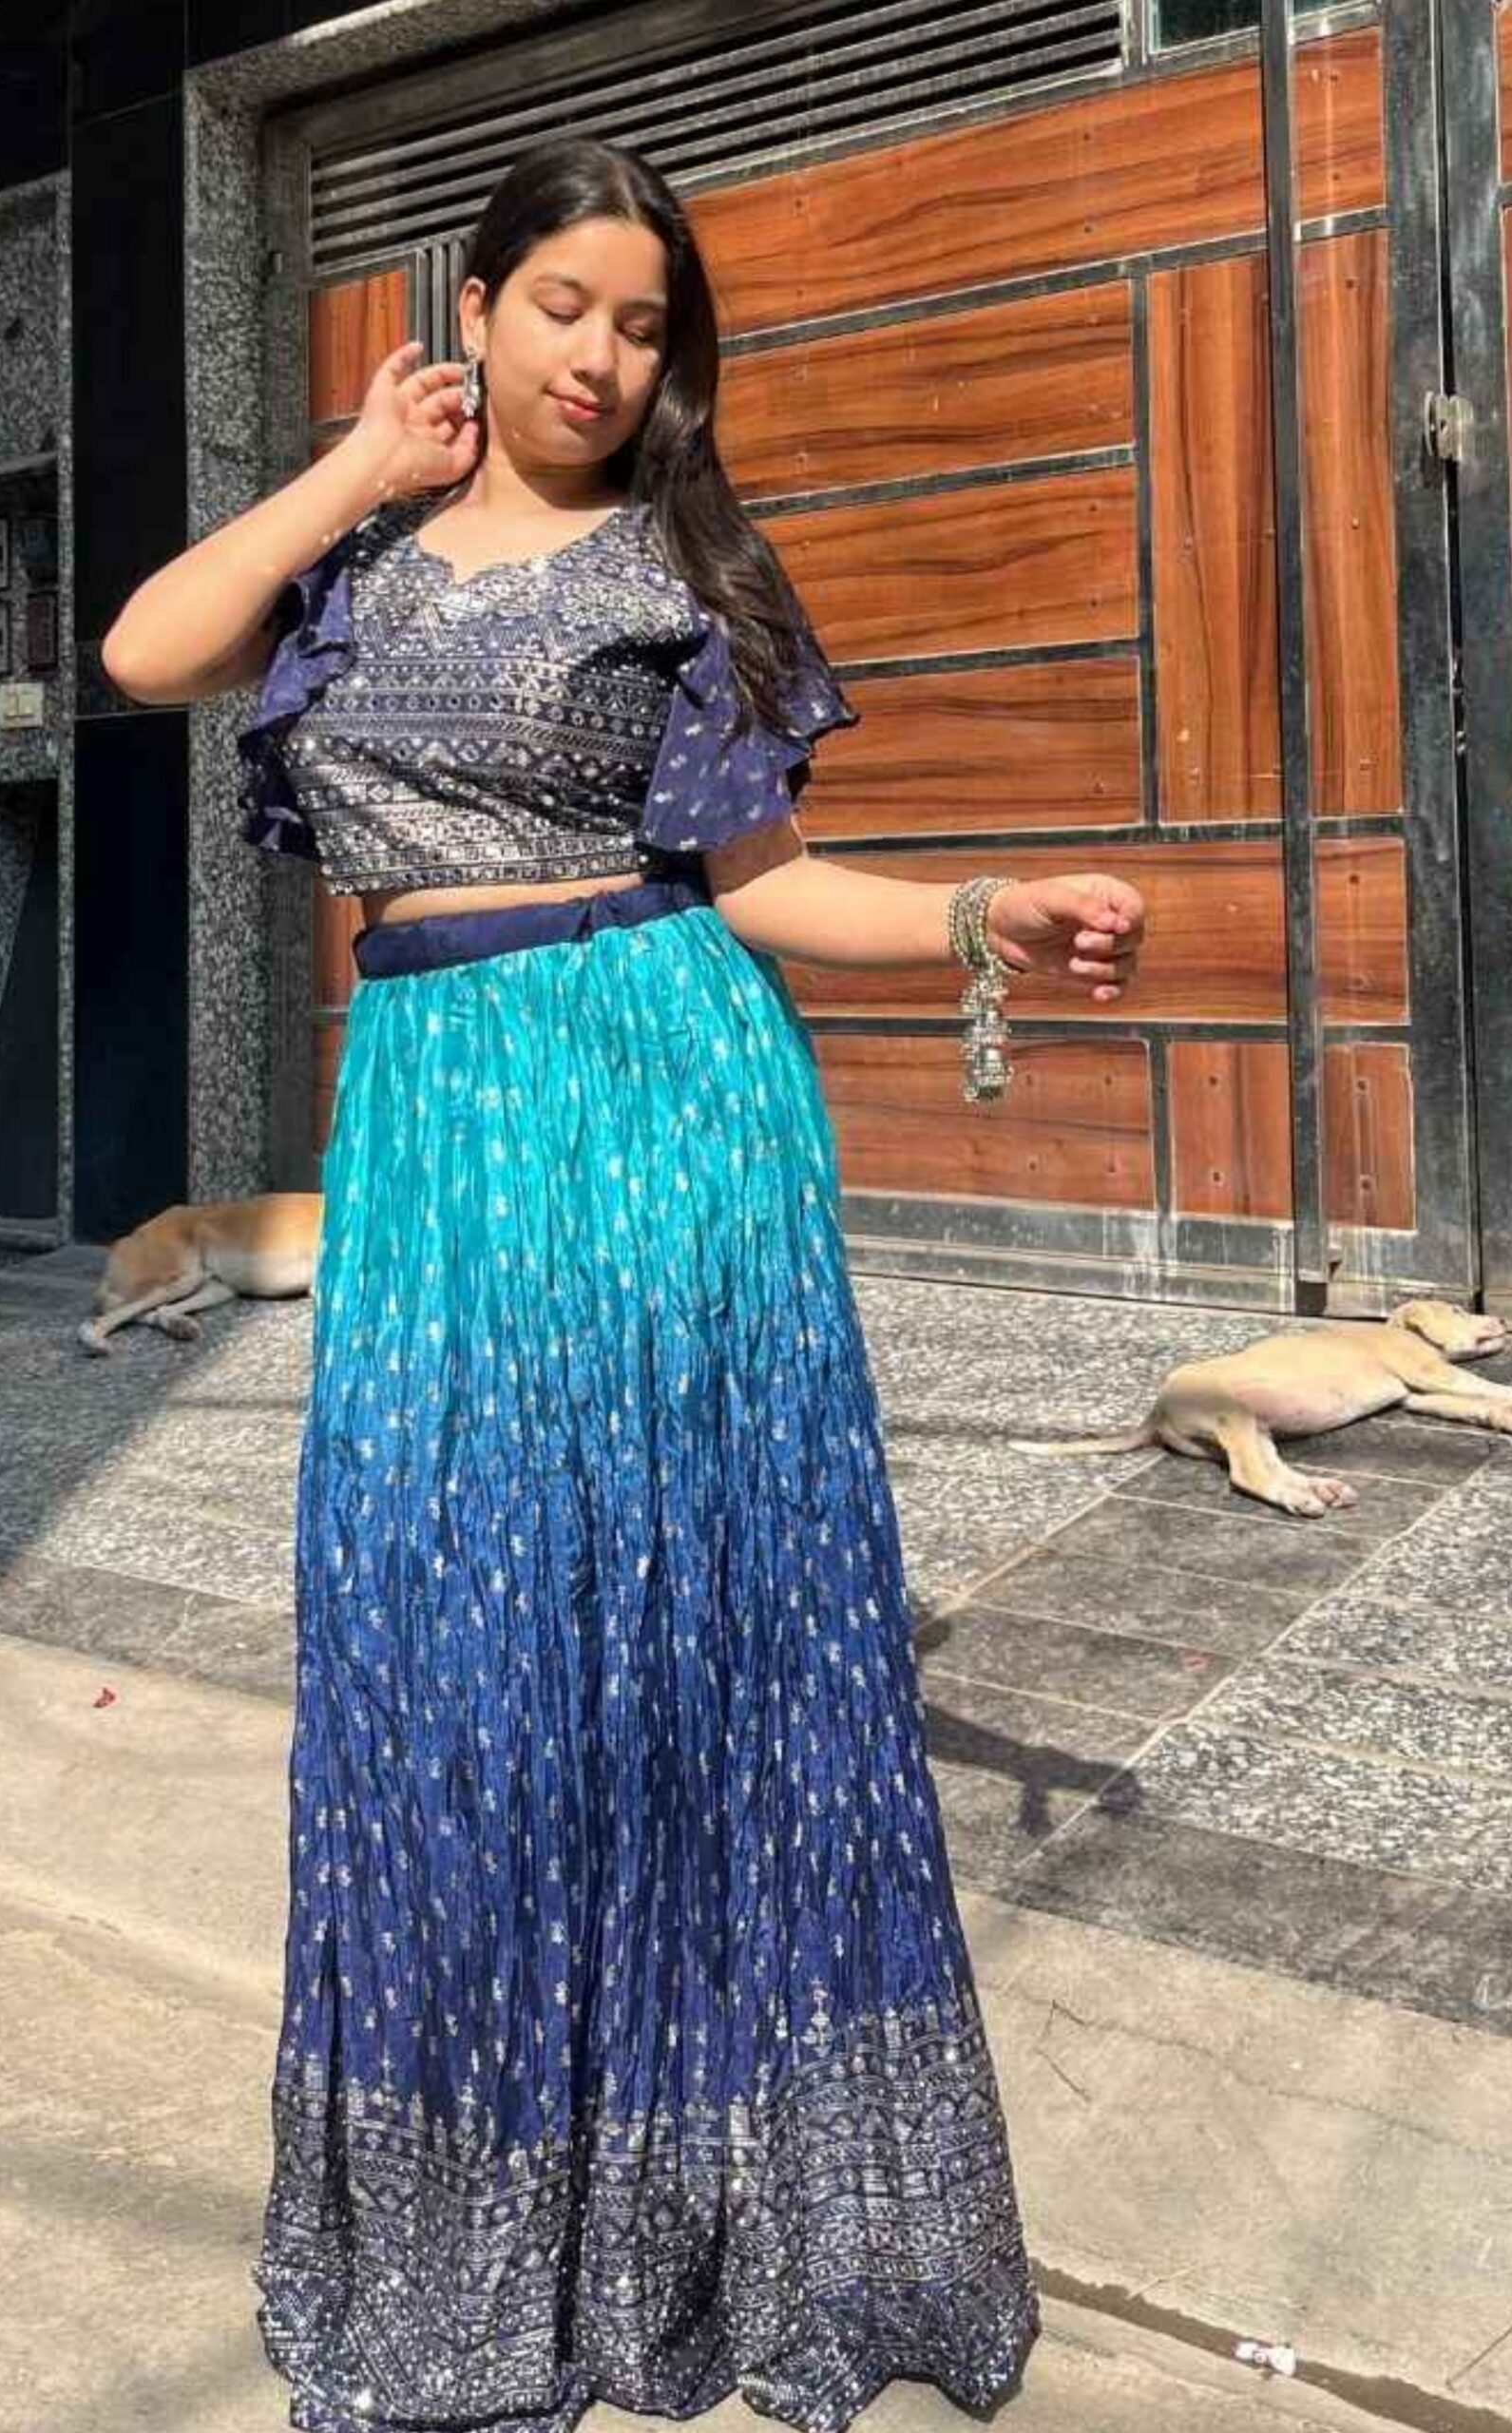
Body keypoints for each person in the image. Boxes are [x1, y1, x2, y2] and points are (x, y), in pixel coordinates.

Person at [104, 133, 1143, 2433]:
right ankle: (489, 2232)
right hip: (434, 1138)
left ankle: (723, 2220)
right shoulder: (354, 564)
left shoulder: (687, 567)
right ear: (473, 305)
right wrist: (352, 465)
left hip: (666, 1111)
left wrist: (976, 912)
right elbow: (142, 648)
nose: (597, 355)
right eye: (560, 303)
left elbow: (766, 884)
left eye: (642, 323)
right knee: (446, 1655)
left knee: (685, 1654)